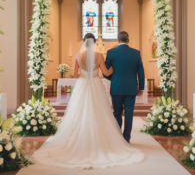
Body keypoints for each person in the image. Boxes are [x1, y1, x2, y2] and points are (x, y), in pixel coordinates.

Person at [31, 33, 144, 169]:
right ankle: (122, 138)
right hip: (98, 84)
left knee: (81, 111)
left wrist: (84, 77)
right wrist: (110, 71)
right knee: (101, 110)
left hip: (83, 84)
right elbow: (106, 73)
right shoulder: (100, 55)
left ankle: (82, 139)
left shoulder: (79, 56)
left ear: (84, 42)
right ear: (95, 42)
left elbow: (74, 74)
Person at [104, 31, 145, 143]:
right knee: (129, 113)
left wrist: (113, 79)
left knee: (117, 112)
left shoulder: (111, 52)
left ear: (118, 40)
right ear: (128, 40)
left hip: (116, 87)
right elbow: (141, 71)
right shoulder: (136, 53)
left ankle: (117, 137)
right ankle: (126, 138)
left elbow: (105, 72)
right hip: (131, 88)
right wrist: (141, 87)